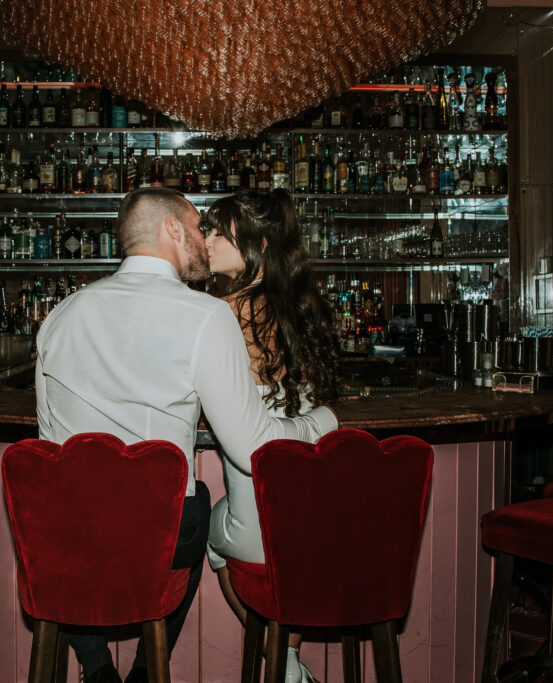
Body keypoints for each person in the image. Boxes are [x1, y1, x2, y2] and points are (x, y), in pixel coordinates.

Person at [34, 187, 339, 683]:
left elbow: (48, 444)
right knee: (191, 509)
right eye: (199, 226)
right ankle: (143, 672)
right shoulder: (207, 315)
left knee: (68, 518)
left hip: (70, 535)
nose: (205, 237)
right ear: (172, 230)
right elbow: (251, 447)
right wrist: (320, 422)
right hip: (160, 534)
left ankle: (97, 670)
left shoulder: (59, 317)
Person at [203, 189, 341, 683]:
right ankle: (289, 668)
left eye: (219, 230)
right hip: (312, 516)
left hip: (257, 506)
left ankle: (284, 666)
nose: (208, 237)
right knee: (290, 570)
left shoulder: (223, 313)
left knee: (211, 533)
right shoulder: (297, 304)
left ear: (257, 245)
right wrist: (322, 422)